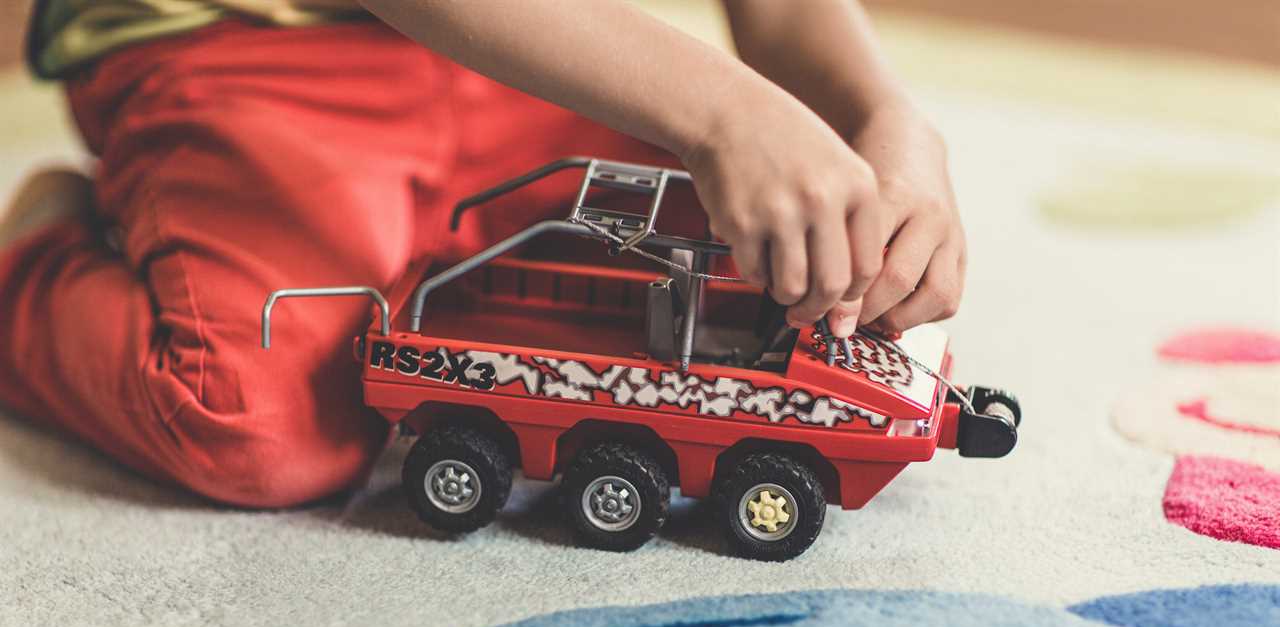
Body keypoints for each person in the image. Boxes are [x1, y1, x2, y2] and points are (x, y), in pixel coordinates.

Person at [0, 0, 966, 507]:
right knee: (254, 418)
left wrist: (888, 122)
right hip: (245, 50)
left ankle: (409, 230)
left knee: (779, 237)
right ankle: (35, 251)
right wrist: (722, 111)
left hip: (540, 41)